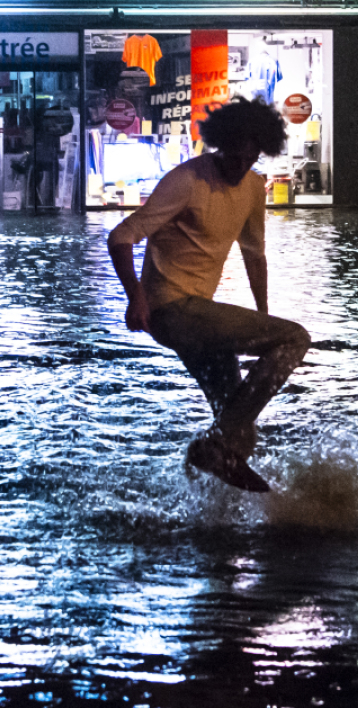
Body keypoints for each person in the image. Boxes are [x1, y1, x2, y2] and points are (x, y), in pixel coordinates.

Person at [107, 98, 310, 492]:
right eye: (233, 157)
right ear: (220, 145)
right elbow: (120, 237)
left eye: (250, 159)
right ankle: (212, 443)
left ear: (261, 153)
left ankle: (211, 514)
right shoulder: (187, 180)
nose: (240, 167)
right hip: (172, 311)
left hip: (201, 315)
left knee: (243, 432)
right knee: (296, 337)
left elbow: (255, 256)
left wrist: (264, 317)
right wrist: (137, 296)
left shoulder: (253, 187)